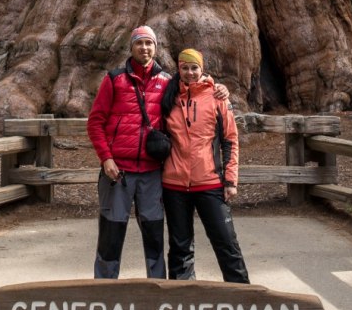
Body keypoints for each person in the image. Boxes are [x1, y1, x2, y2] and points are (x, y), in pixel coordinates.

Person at [86, 25, 171, 279]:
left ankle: (157, 286)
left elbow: (193, 91)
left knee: (154, 233)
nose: (144, 48)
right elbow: (95, 122)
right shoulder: (115, 79)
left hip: (152, 172)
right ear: (131, 47)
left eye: (149, 43)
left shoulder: (166, 82)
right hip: (118, 172)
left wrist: (216, 87)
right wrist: (106, 158)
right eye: (139, 43)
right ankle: (105, 287)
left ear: (155, 48)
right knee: (111, 232)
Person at [160, 48, 250, 284]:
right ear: (178, 69)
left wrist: (230, 180)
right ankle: (183, 296)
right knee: (180, 247)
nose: (190, 72)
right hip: (174, 184)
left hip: (209, 182)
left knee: (226, 242)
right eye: (185, 68)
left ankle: (242, 295)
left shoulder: (217, 97)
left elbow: (230, 140)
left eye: (194, 68)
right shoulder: (169, 97)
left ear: (202, 69)